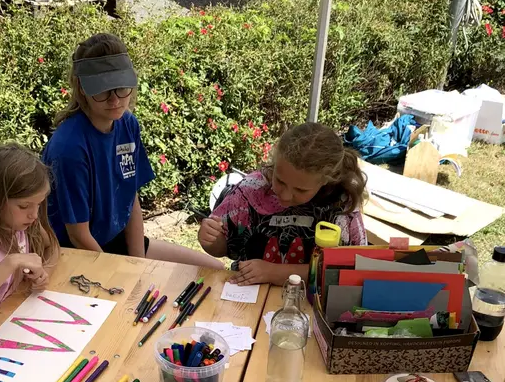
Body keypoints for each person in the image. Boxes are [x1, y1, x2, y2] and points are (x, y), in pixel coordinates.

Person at [43, 33, 223, 269]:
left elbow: (130, 196)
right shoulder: (69, 148)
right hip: (74, 255)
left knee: (214, 268)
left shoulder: (127, 124)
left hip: (116, 242)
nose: (115, 99)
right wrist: (125, 274)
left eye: (122, 87)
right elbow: (78, 235)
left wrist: (137, 263)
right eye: (103, 90)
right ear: (82, 88)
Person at [198, 123, 367, 286]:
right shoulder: (250, 190)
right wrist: (210, 240)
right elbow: (222, 249)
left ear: (326, 180)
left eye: (300, 190)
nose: (285, 195)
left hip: (310, 303)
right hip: (247, 298)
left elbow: (350, 268)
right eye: (279, 180)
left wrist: (274, 273)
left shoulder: (341, 203)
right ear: (275, 162)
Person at [0, 143, 60, 337]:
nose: (33, 214)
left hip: (7, 327)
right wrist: (12, 261)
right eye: (24, 206)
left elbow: (53, 246)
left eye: (38, 205)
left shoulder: (23, 225)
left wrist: (43, 274)